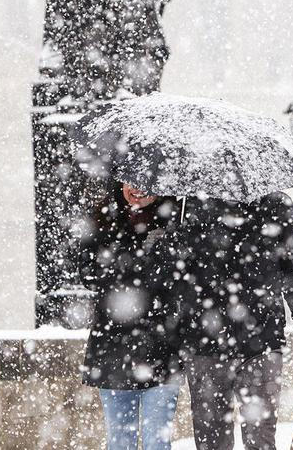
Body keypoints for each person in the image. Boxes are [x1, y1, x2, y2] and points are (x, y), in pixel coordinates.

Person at [173, 192, 293, 450]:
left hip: (260, 344)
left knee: (260, 440)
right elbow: (176, 278)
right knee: (212, 442)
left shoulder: (277, 206)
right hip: (206, 344)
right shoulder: (191, 204)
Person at [77, 182, 185, 450]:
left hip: (162, 349)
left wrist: (163, 252)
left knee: (157, 441)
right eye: (130, 181)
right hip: (113, 348)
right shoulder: (103, 219)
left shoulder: (177, 223)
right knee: (120, 441)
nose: (138, 189)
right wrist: (132, 259)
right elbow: (89, 275)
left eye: (148, 183)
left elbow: (180, 281)